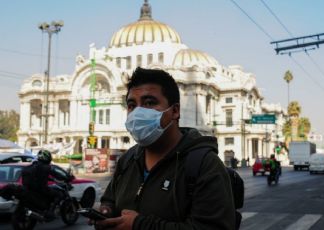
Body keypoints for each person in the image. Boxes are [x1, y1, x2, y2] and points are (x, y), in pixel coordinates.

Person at [95, 68, 235, 230]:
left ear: (174, 111)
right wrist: (107, 210)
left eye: (149, 103)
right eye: (132, 105)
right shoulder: (128, 159)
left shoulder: (204, 164)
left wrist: (139, 225)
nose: (138, 112)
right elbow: (110, 198)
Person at [21, 150, 68, 219]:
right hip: (41, 189)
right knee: (59, 194)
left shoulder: (33, 165)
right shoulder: (46, 167)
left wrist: (51, 179)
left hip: (29, 188)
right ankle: (50, 211)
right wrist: (67, 177)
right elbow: (56, 174)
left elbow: (39, 176)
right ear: (47, 158)